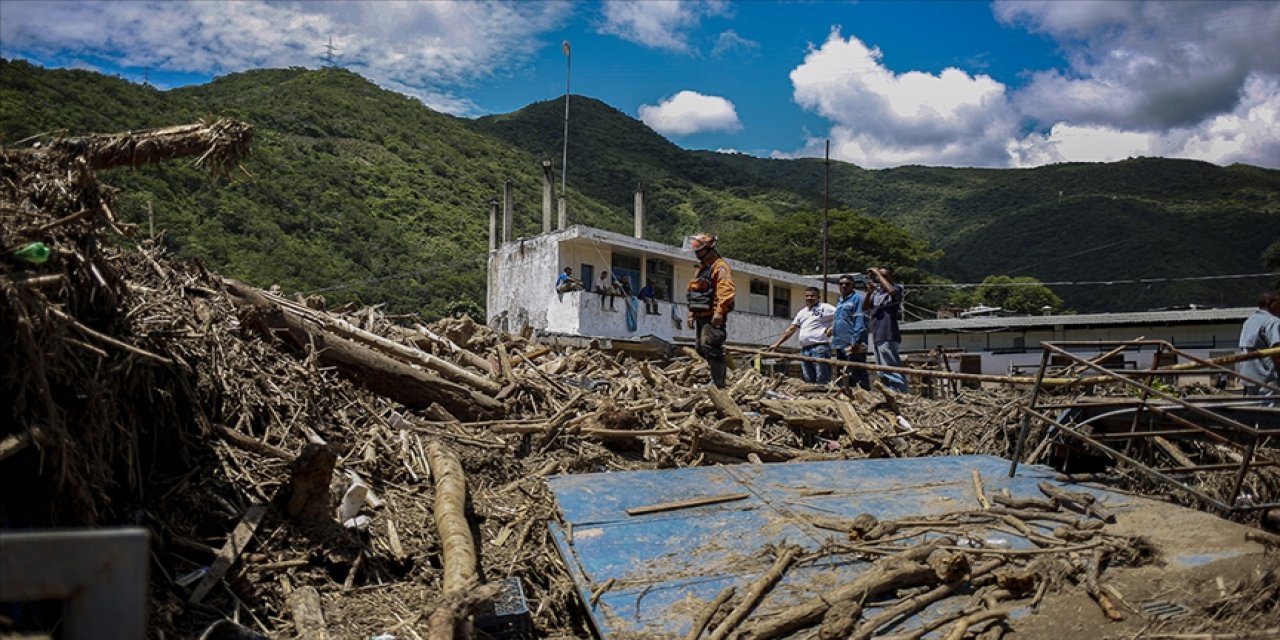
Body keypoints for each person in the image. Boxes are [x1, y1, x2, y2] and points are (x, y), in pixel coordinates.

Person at [686, 233, 736, 388]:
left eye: (699, 251)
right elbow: (696, 293)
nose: (696, 254)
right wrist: (691, 314)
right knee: (701, 348)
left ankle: (718, 383)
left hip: (713, 315)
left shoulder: (720, 267)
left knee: (712, 347)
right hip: (701, 313)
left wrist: (720, 311)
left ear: (708, 249)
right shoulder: (702, 269)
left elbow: (726, 291)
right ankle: (713, 378)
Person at [769, 286, 836, 384]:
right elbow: (791, 329)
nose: (809, 298)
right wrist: (777, 344)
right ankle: (813, 398)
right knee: (808, 379)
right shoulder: (802, 312)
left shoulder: (825, 307)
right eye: (807, 296)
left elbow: (842, 315)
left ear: (819, 297)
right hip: (805, 350)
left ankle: (824, 397)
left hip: (820, 348)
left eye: (812, 296)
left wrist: (833, 328)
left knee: (822, 378)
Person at [866, 266, 909, 393]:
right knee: (881, 369)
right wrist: (869, 292)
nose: (880, 278)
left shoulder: (897, 288)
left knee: (891, 366)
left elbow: (892, 291)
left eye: (884, 276)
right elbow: (866, 306)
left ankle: (899, 392)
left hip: (888, 333)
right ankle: (887, 392)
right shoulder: (877, 293)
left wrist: (878, 273)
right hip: (877, 334)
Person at [1238, 291, 1280, 401]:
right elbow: (1276, 350)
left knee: (1253, 410)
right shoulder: (1272, 321)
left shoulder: (1248, 321)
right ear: (1270, 303)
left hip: (1248, 375)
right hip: (1267, 376)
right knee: (1270, 411)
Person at [831, 274, 871, 390]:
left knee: (857, 372)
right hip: (840, 342)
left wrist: (855, 342)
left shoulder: (858, 299)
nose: (844, 286)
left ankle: (863, 396)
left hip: (853, 344)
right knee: (843, 373)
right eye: (841, 284)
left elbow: (860, 322)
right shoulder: (840, 301)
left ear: (853, 285)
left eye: (847, 284)